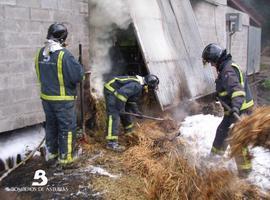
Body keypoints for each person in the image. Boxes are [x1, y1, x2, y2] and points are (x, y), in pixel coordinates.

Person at [35, 23, 84, 168]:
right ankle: (66, 161)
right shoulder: (64, 54)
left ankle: (51, 155)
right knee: (67, 128)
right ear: (63, 38)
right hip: (63, 101)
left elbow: (41, 74)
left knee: (51, 126)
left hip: (46, 99)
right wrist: (79, 67)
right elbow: (78, 77)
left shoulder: (40, 53)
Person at [202, 43, 254, 177]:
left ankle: (245, 171)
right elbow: (228, 88)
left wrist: (236, 107)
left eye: (211, 62)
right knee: (222, 132)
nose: (212, 66)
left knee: (236, 139)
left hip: (239, 111)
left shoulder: (227, 70)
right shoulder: (227, 66)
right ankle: (214, 157)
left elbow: (237, 91)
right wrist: (218, 95)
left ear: (215, 59)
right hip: (234, 111)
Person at [104, 74, 159, 152]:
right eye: (150, 88)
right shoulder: (137, 86)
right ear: (147, 86)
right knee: (114, 115)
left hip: (118, 93)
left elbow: (131, 101)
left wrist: (137, 112)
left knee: (127, 111)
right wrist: (121, 108)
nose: (149, 91)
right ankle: (111, 144)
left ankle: (129, 134)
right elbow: (121, 93)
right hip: (112, 90)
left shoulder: (140, 86)